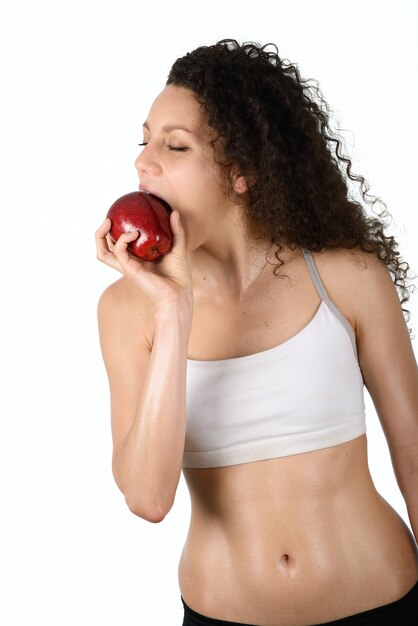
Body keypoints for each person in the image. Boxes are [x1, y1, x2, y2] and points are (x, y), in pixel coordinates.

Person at [95, 39, 418, 625]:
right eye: (144, 141)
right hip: (221, 615)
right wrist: (173, 309)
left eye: (175, 146)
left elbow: (415, 454)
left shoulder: (347, 276)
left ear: (241, 170)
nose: (144, 162)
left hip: (384, 603)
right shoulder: (128, 310)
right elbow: (147, 498)